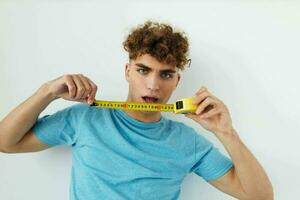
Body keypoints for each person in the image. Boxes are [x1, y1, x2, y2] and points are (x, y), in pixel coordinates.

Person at [0, 21, 273, 200]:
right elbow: (6, 143)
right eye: (143, 70)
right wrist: (46, 92)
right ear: (127, 71)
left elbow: (260, 196)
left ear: (177, 81)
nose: (153, 85)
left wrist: (226, 132)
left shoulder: (187, 142)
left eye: (166, 75)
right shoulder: (85, 118)